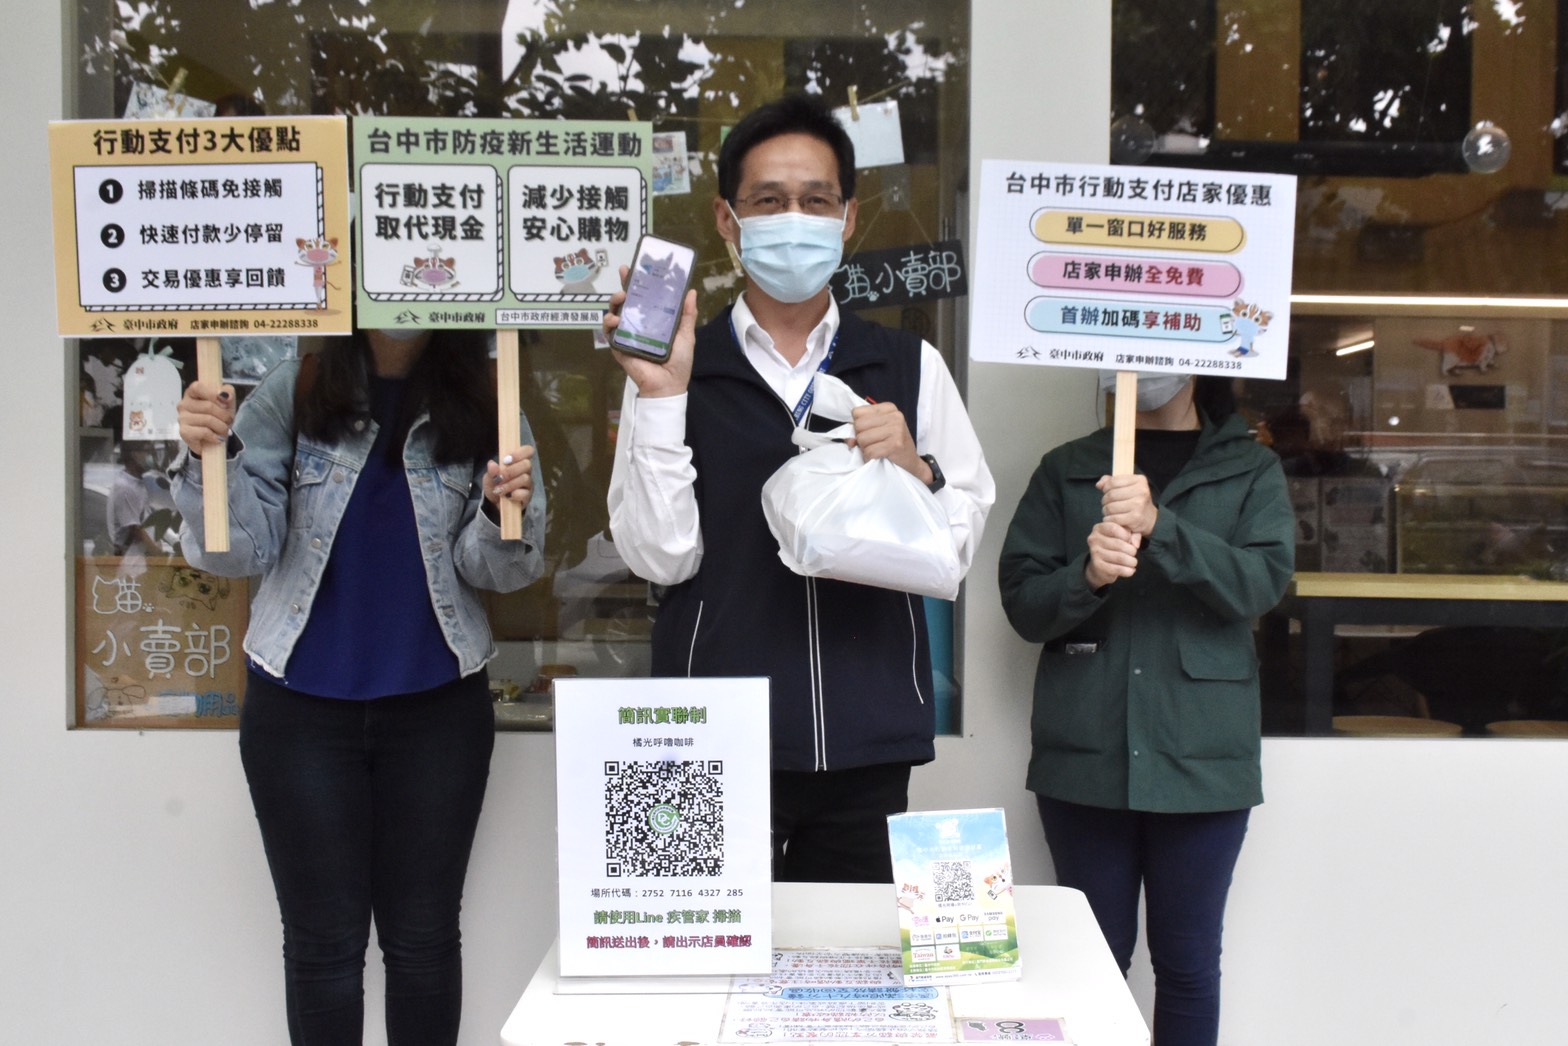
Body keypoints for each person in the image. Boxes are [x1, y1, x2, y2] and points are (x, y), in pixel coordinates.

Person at [605, 93, 995, 884]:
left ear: (848, 218)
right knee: (691, 954)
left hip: (867, 739)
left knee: (847, 958)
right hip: (698, 735)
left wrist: (915, 469)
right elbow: (659, 558)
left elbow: (954, 553)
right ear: (727, 218)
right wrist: (663, 396)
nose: (794, 219)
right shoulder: (676, 365)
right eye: (768, 200)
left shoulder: (908, 366)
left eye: (816, 201)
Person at [171, 328, 545, 1046]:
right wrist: (205, 456)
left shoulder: (489, 400)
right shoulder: (296, 388)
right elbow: (238, 550)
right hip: (299, 711)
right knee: (323, 945)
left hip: (437, 709)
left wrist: (503, 513)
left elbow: (501, 571)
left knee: (424, 939)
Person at [997, 372, 1294, 1046]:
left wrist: (1161, 527)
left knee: (1187, 965)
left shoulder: (1250, 468)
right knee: (1090, 961)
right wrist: (1087, 576)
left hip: (1204, 759)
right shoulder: (1068, 468)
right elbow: (1023, 603)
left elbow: (1261, 584)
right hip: (1085, 755)